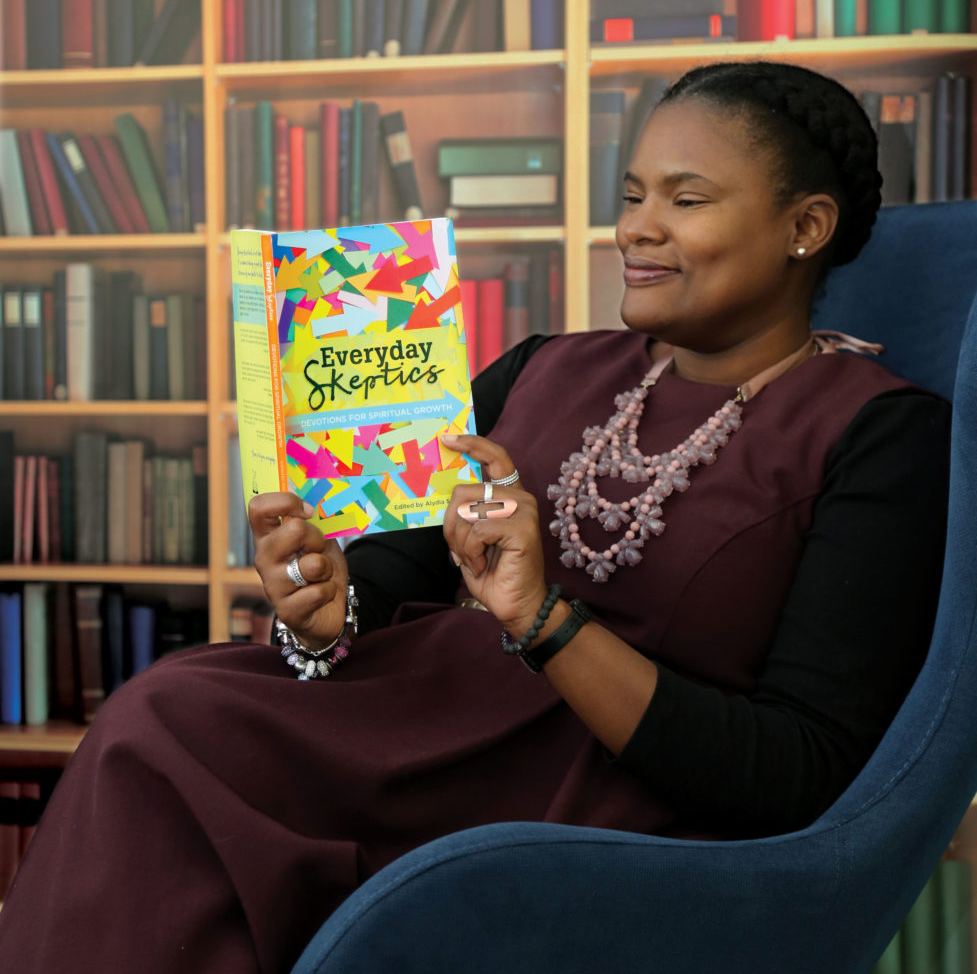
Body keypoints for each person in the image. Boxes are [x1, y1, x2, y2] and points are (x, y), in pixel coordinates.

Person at [0, 61, 951, 973]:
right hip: (413, 728)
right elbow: (399, 567)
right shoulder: (543, 366)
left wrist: (540, 618)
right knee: (165, 714)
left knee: (171, 741)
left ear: (805, 226)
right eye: (631, 196)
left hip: (591, 800)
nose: (635, 229)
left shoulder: (879, 435)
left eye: (685, 201)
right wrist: (329, 606)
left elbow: (802, 771)